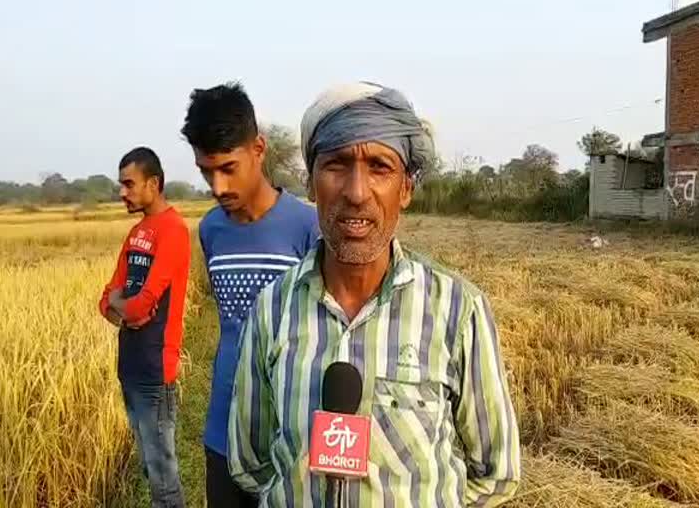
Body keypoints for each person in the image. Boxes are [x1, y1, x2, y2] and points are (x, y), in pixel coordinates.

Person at [227, 82, 521, 506]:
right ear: (310, 184)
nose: (357, 191)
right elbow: (252, 462)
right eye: (337, 164)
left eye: (380, 167)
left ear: (405, 189)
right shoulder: (272, 309)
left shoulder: (458, 310)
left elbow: (497, 473)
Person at [181, 82, 319, 508]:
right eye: (206, 171)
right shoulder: (211, 230)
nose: (218, 186)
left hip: (291, 432)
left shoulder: (309, 228)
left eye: (228, 167)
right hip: (224, 428)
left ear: (258, 148)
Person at [99, 146, 190, 507]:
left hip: (155, 367)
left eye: (129, 184)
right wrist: (123, 308)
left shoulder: (173, 231)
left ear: (153, 183)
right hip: (130, 364)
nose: (123, 192)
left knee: (162, 472)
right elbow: (106, 299)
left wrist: (124, 306)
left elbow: (143, 302)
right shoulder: (137, 233)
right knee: (148, 465)